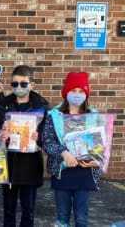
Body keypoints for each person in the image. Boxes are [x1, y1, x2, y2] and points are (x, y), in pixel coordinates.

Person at [42, 71, 100, 227]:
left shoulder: (93, 116)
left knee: (81, 218)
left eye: (81, 91)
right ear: (66, 92)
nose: (77, 94)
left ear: (86, 94)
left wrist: (97, 161)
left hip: (85, 172)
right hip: (63, 172)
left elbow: (100, 145)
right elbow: (46, 141)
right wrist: (63, 152)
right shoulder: (54, 115)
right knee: (62, 218)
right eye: (73, 90)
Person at [0, 65, 48, 227]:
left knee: (28, 210)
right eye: (15, 84)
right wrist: (0, 134)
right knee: (8, 210)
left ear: (32, 85)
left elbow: (48, 137)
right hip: (9, 164)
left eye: (23, 84)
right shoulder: (3, 106)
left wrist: (38, 139)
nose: (19, 87)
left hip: (30, 166)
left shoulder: (42, 107)